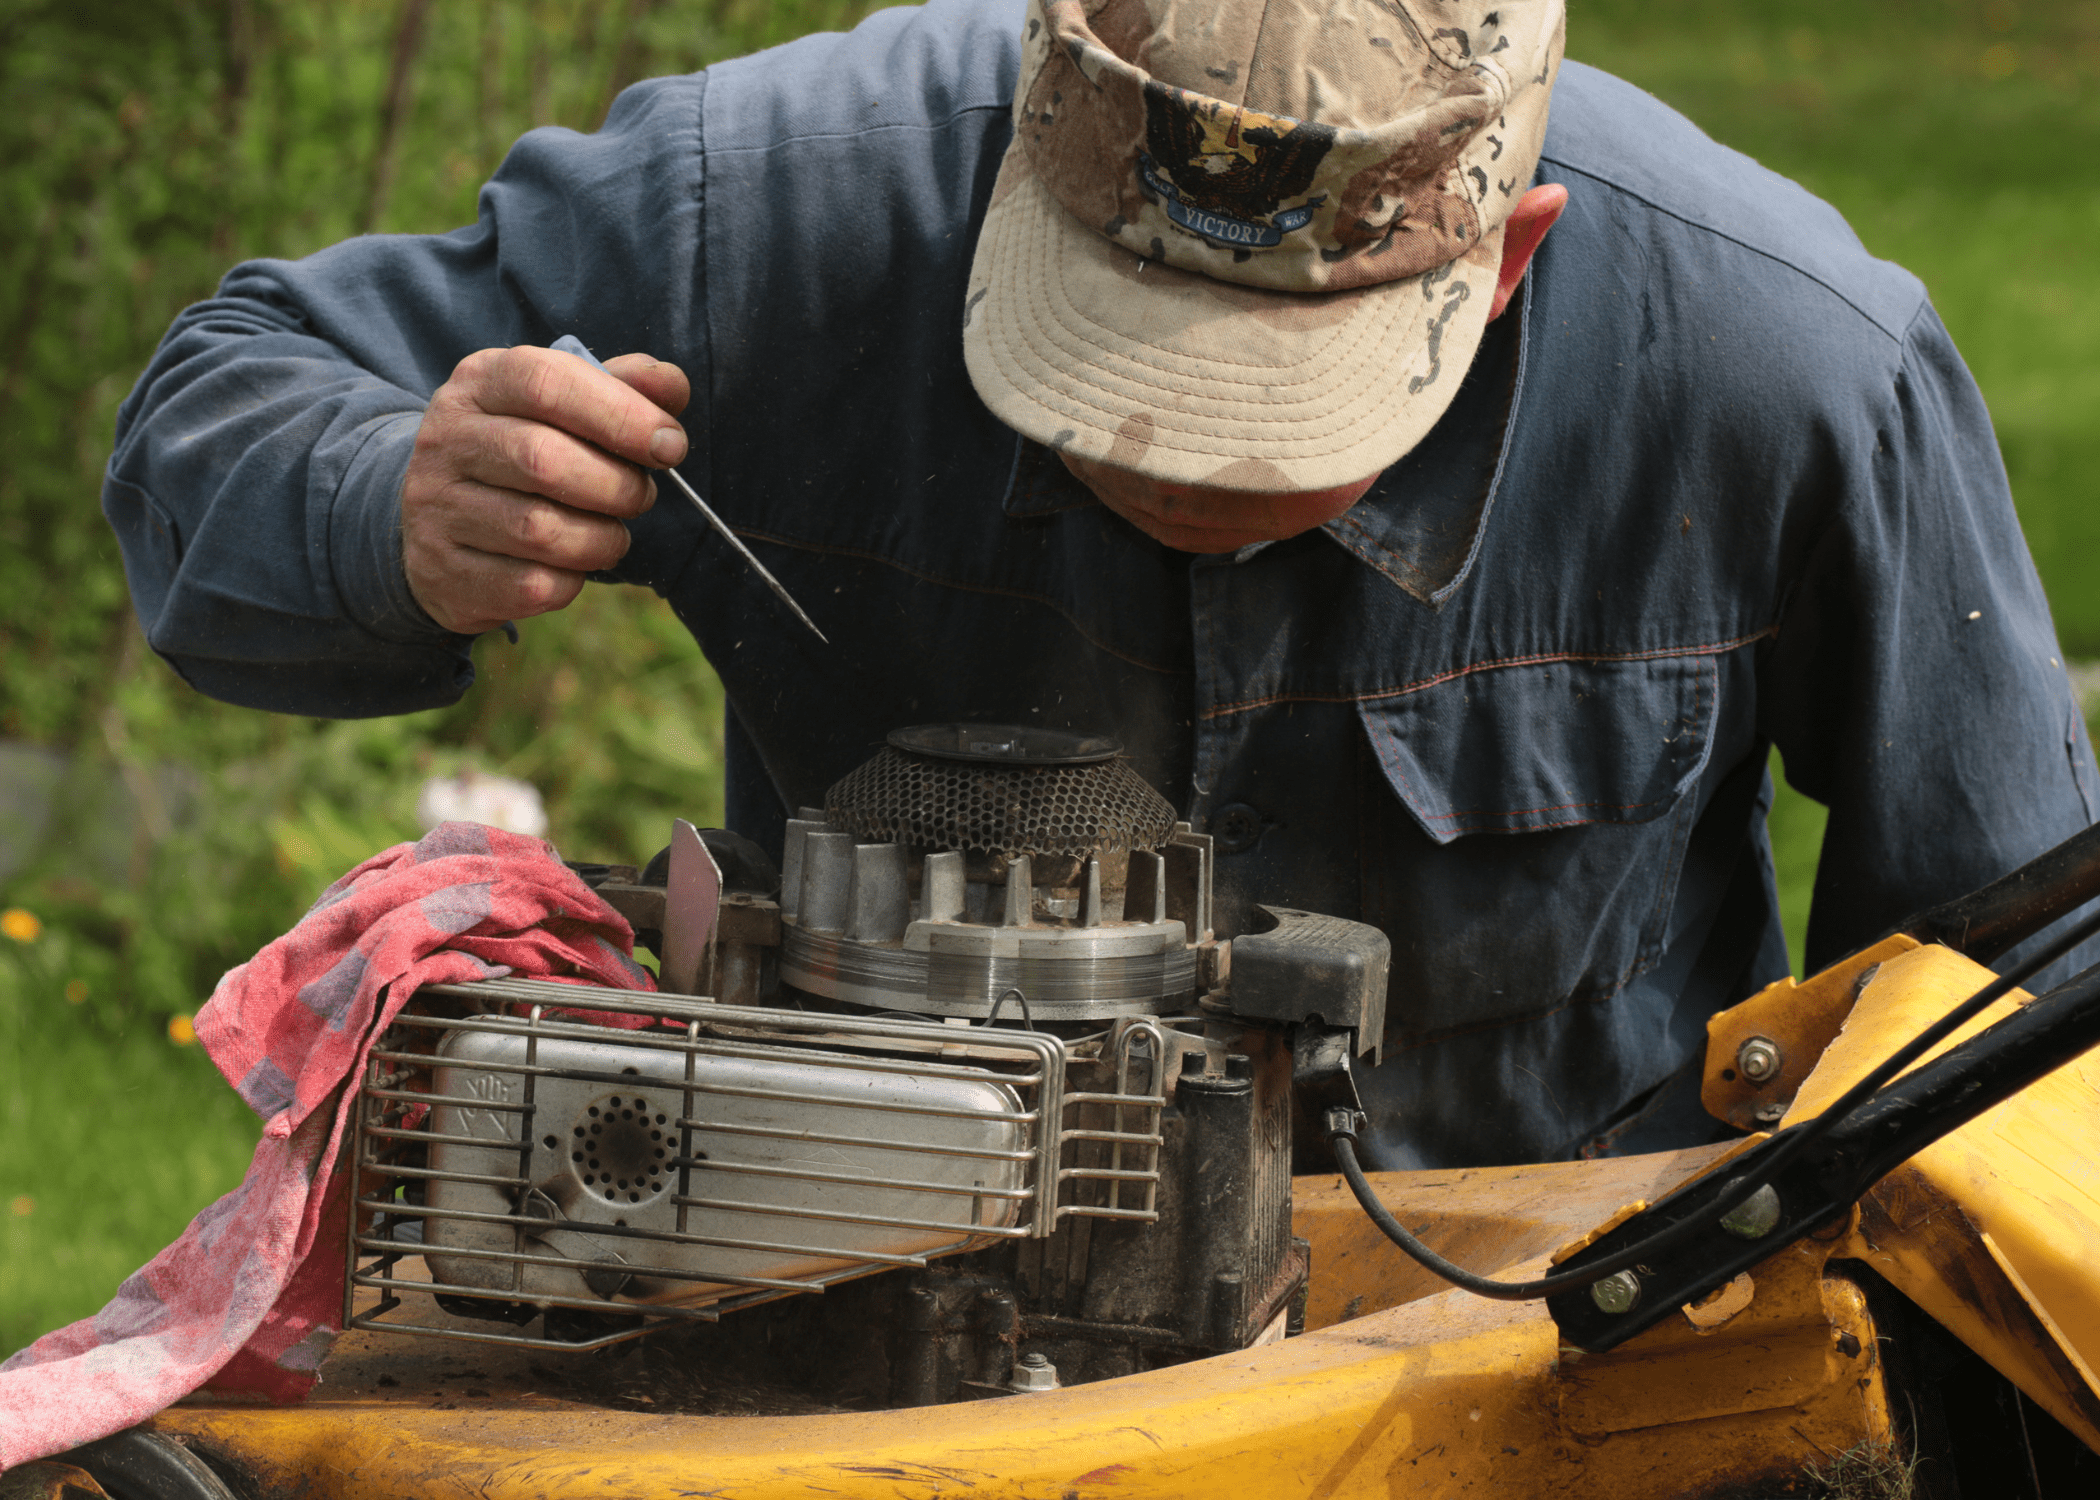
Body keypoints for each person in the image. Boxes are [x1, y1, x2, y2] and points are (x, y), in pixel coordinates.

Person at [102, 0, 2098, 1169]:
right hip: (873, 1315)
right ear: (1019, 174)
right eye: (1111, 360)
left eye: (1265, 405)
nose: (1172, 457)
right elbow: (218, 402)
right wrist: (393, 501)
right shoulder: (777, 204)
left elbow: (2024, 994)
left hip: (1542, 1351)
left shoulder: (1789, 365)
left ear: (1504, 259)